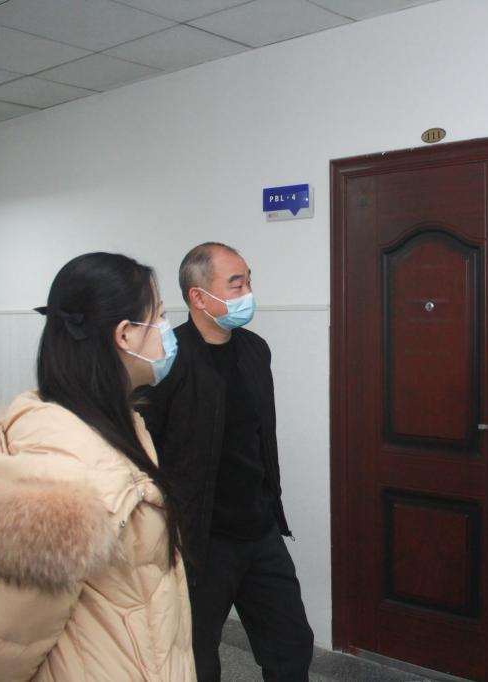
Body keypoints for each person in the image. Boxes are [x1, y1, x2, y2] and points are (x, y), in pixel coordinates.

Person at [0, 252, 194, 680]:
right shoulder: (70, 461)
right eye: (159, 316)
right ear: (125, 335)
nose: (167, 329)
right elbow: (9, 636)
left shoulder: (117, 426)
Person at [135, 242, 313, 682]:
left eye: (249, 280)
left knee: (291, 645)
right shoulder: (165, 359)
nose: (248, 292)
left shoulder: (255, 350)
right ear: (199, 297)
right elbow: (142, 450)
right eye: (237, 284)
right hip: (199, 539)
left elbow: (257, 437)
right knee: (195, 659)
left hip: (260, 529)